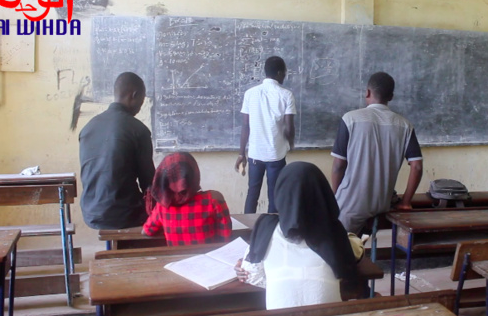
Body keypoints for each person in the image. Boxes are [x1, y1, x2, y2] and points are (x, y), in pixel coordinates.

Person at [234, 162, 358, 310]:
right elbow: (353, 255)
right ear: (323, 193)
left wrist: (280, 281)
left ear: (280, 195)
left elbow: (250, 273)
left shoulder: (266, 229)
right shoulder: (335, 232)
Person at [331, 72, 423, 234]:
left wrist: (334, 197)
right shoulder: (405, 125)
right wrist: (406, 201)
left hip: (351, 204)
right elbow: (416, 167)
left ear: (367, 93)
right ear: (391, 96)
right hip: (382, 204)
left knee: (340, 251)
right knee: (359, 246)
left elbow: (339, 166)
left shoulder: (350, 119)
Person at [79, 72, 155, 230]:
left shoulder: (88, 128)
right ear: (134, 95)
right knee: (168, 220)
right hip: (124, 215)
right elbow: (149, 183)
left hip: (90, 212)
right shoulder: (138, 130)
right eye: (141, 100)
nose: (141, 106)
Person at [234, 56, 296, 214]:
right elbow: (289, 128)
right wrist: (291, 143)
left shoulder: (250, 94)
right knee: (275, 196)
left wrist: (242, 153)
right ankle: (270, 233)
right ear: (280, 72)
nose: (285, 76)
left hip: (255, 154)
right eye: (285, 73)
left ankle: (248, 232)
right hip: (276, 155)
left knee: (252, 194)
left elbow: (245, 126)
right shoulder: (286, 95)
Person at [141, 152, 232, 245]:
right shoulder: (213, 199)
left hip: (177, 258)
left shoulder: (162, 206)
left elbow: (146, 232)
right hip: (208, 257)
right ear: (195, 173)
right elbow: (225, 236)